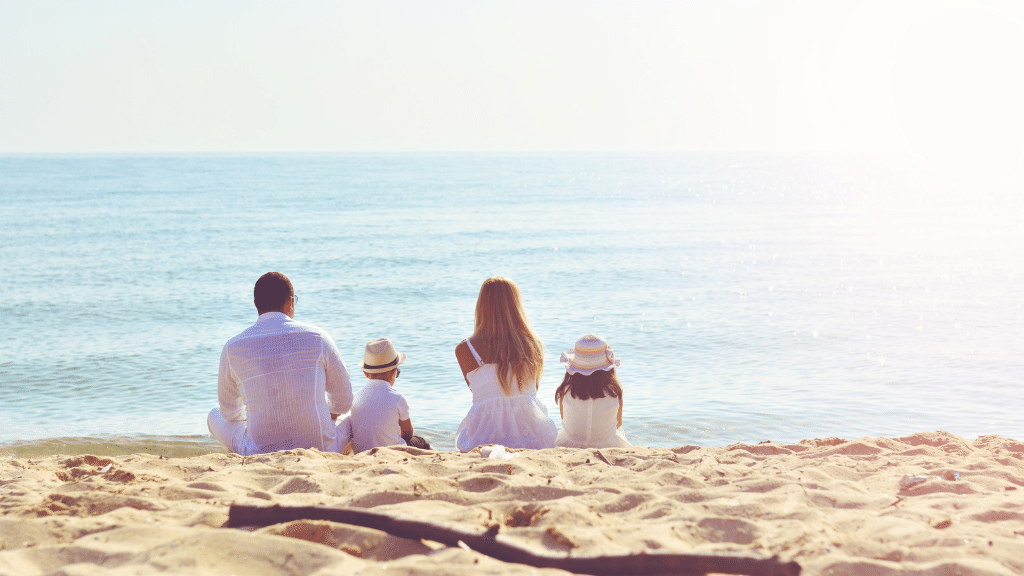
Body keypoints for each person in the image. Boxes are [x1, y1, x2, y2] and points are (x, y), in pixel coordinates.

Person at [207, 272, 353, 455]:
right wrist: (324, 414)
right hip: (323, 449)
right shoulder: (318, 337)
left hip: (259, 453)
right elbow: (344, 401)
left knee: (214, 415)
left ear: (255, 304)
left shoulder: (233, 347)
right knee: (353, 414)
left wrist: (259, 415)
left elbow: (229, 413)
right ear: (291, 302)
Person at [454, 277, 557, 452]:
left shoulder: (465, 349)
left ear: (481, 306)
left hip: (485, 436)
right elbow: (532, 391)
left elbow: (481, 394)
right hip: (532, 432)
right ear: (516, 305)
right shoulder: (533, 345)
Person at [338, 338, 432, 452]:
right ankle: (439, 455)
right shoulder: (398, 398)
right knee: (420, 441)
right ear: (394, 371)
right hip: (393, 451)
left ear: (365, 372)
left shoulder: (356, 397)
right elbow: (408, 434)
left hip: (361, 452)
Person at [553, 334, 631, 449]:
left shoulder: (565, 390)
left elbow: (564, 418)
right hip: (606, 445)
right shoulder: (615, 391)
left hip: (569, 444)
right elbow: (618, 423)